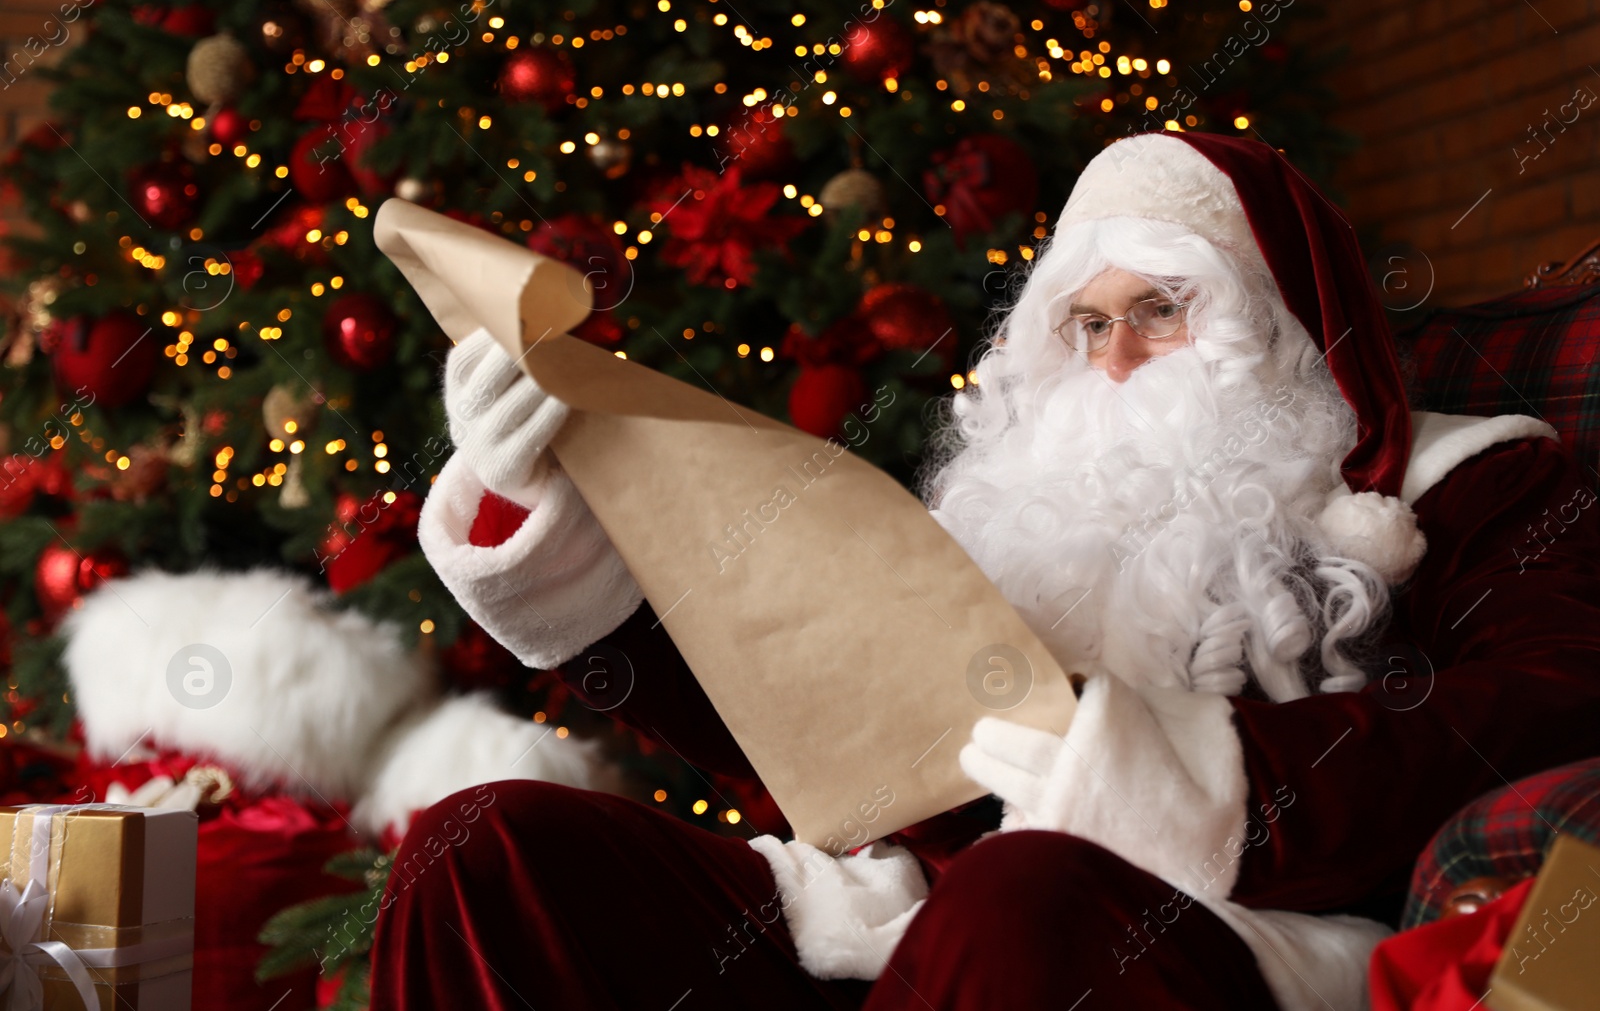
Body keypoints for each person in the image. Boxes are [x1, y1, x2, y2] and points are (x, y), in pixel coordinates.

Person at [368, 131, 1600, 1010]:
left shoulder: (1477, 487)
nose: (1114, 357)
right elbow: (808, 707)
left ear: (1275, 324)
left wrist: (1199, 782)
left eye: (1160, 309)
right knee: (491, 848)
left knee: (1017, 897)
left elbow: (1547, 701)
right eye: (1085, 319)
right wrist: (549, 508)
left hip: (1233, 935)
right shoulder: (1022, 520)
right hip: (900, 921)